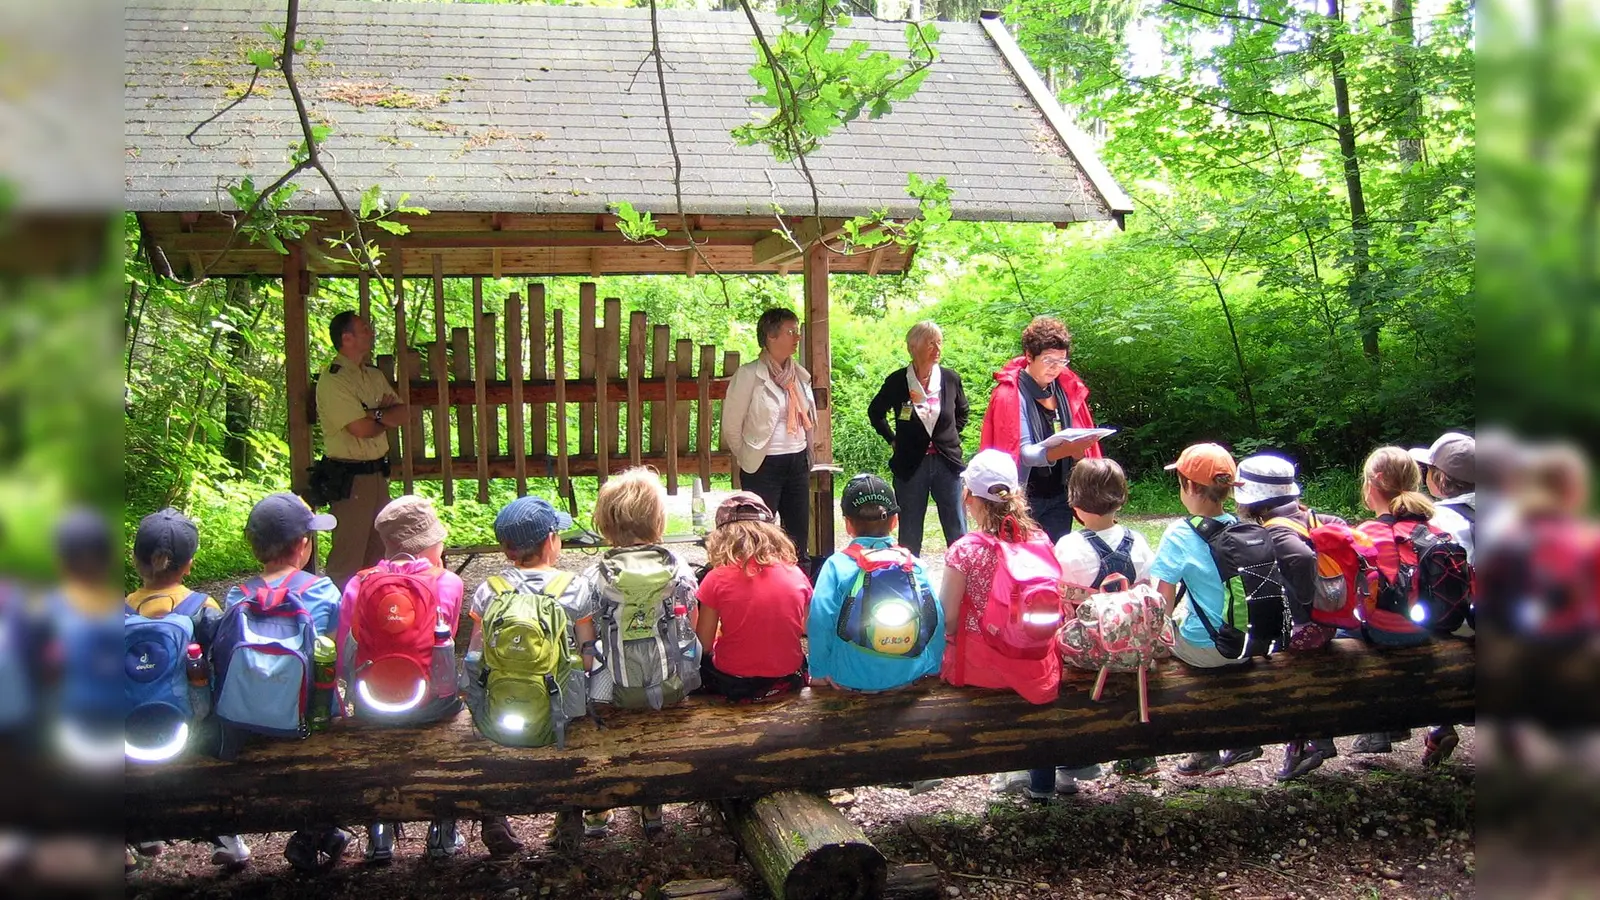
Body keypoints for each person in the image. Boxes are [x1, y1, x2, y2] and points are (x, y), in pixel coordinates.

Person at [338, 496, 473, 862]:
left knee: (372, 751)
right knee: (450, 739)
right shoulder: (448, 582)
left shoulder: (360, 582)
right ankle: (442, 830)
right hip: (431, 704)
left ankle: (379, 836)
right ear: (430, 544)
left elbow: (344, 648)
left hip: (372, 703)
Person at [222, 494, 349, 873]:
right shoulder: (322, 591)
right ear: (303, 545)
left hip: (247, 717)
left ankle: (317, 832)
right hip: (309, 719)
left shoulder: (236, 595)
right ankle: (316, 830)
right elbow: (337, 659)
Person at [466, 494, 598, 858]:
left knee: (490, 739)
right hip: (560, 706)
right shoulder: (574, 586)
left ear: (508, 550)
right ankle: (570, 815)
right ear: (550, 540)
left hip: (502, 704)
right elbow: (587, 654)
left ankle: (494, 815)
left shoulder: (488, 590)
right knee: (578, 730)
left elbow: (475, 655)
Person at [124, 509, 250, 873]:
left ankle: (139, 834)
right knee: (220, 744)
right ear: (190, 565)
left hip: (130, 727)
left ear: (136, 561)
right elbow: (224, 662)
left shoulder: (121, 608)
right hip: (194, 727)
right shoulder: (201, 607)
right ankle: (228, 838)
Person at [938, 451, 1068, 800]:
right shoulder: (1041, 543)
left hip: (980, 669)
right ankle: (1042, 787)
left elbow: (947, 620)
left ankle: (1005, 774)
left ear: (968, 498)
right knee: (1040, 717)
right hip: (1035, 666)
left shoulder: (965, 550)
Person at [581, 468, 699, 839]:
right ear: (657, 519)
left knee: (594, 671)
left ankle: (598, 809)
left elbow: (585, 636)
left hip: (614, 688)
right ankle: (652, 806)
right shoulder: (677, 567)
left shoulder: (595, 573)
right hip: (672, 684)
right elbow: (691, 626)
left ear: (605, 522)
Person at [1148, 443, 1267, 777]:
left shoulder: (1179, 533)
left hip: (1208, 649)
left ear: (1188, 487)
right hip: (1249, 644)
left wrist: (1155, 642)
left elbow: (1162, 602)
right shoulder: (1245, 528)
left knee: (1170, 637)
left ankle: (1204, 750)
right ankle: (1232, 739)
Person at [1231, 455, 1344, 781]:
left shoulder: (1275, 532)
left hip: (1305, 627)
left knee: (1257, 664)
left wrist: (1305, 605)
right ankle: (1303, 746)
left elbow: (1300, 556)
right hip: (1329, 623)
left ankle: (1246, 739)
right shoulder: (1314, 517)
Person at [1052, 458, 1156, 781]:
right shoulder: (1138, 542)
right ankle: (1137, 754)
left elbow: (1058, 600)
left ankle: (1076, 764)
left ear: (1075, 500)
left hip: (1087, 649)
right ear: (1122, 497)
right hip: (1133, 646)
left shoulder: (1069, 546)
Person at [807, 475, 944, 693]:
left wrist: (820, 671)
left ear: (847, 524)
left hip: (850, 676)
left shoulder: (837, 565)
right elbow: (935, 617)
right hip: (908, 673)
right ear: (894, 521)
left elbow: (819, 620)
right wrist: (933, 664)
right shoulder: (914, 565)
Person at [978, 315, 1103, 542]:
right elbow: (1024, 454)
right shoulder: (1010, 394)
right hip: (1024, 498)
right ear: (1029, 356)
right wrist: (1068, 449)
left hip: (1061, 493)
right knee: (1024, 562)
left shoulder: (1066, 386)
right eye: (1048, 360)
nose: (1056, 368)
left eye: (1062, 361)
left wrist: (1080, 450)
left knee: (1055, 563)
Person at [1348, 447, 1439, 756]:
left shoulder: (1365, 534)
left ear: (1372, 484)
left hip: (1383, 631)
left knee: (1339, 633)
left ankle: (1377, 728)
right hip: (1429, 628)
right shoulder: (1432, 530)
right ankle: (1395, 723)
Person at [314, 311, 407, 592]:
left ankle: (370, 616)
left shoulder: (373, 375)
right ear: (346, 338)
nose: (370, 332)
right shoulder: (334, 380)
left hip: (378, 474)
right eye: (364, 329)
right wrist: (382, 415)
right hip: (350, 477)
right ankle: (339, 625)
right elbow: (360, 430)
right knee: (348, 555)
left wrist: (372, 414)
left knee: (378, 551)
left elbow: (401, 413)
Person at [721, 307, 818, 571]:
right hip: (763, 465)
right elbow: (731, 425)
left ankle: (801, 599)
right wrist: (748, 457)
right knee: (758, 537)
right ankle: (759, 596)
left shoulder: (798, 374)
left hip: (796, 461)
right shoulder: (749, 374)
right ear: (771, 337)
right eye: (790, 331)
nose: (797, 336)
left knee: (798, 538)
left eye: (797, 330)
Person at [865, 321, 970, 557]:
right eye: (930, 343)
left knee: (957, 528)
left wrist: (948, 436)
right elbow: (876, 412)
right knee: (910, 531)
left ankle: (965, 581)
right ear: (913, 347)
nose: (937, 348)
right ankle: (910, 581)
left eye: (939, 342)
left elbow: (962, 412)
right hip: (911, 465)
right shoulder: (897, 381)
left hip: (947, 463)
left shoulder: (950, 379)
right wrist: (892, 439)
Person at [696, 492, 811, 702]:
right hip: (787, 678)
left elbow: (703, 644)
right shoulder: (796, 574)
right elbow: (805, 628)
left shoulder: (715, 578)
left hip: (734, 682)